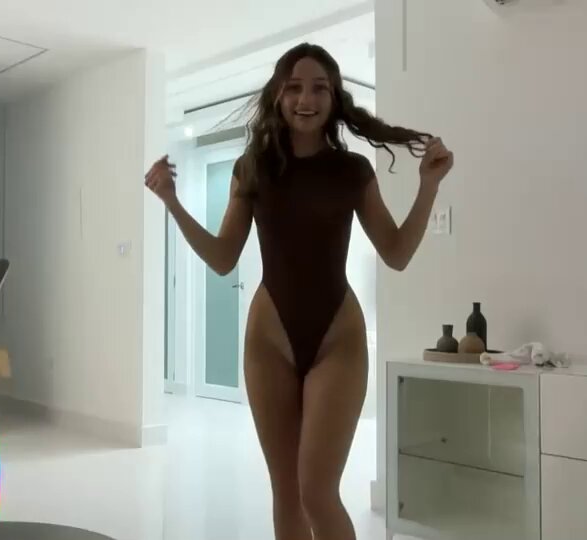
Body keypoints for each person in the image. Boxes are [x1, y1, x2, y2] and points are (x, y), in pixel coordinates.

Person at [144, 43, 454, 540]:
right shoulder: (252, 168)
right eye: (294, 87)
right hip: (268, 339)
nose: (305, 99)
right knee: (286, 495)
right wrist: (171, 201)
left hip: (338, 338)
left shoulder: (352, 171)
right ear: (278, 95)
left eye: (318, 88)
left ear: (334, 99)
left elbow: (396, 252)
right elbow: (223, 258)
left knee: (317, 493)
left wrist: (429, 187)